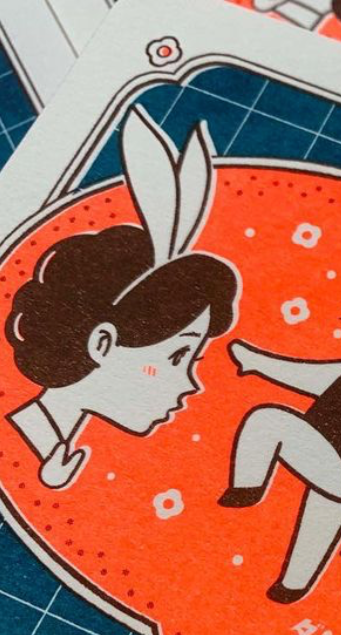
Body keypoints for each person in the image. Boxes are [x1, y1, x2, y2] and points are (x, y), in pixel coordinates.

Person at [5, 106, 238, 489]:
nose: (191, 385)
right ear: (102, 343)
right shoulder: (26, 442)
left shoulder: (52, 450)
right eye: (177, 357)